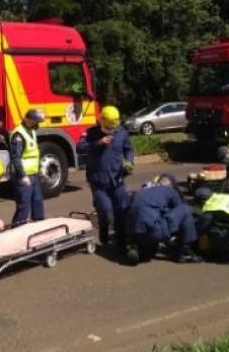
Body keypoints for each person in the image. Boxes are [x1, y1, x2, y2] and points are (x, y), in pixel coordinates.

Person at [76, 105, 134, 251]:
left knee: (121, 211)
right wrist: (98, 143)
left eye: (113, 128)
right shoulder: (91, 132)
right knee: (105, 209)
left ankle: (122, 245)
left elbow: (128, 149)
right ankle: (104, 225)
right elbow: (79, 148)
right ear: (101, 121)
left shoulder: (122, 133)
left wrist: (129, 161)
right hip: (98, 180)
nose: (111, 131)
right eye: (109, 128)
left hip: (117, 179)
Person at [124, 173, 201, 265]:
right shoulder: (169, 190)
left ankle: (137, 246)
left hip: (133, 231)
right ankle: (185, 251)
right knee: (185, 210)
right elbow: (178, 210)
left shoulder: (141, 190)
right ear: (171, 184)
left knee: (148, 219)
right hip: (152, 230)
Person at [10, 109, 46, 225]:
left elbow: (33, 154)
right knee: (24, 207)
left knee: (37, 203)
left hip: (33, 175)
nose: (38, 123)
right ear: (29, 120)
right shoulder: (19, 135)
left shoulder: (31, 131)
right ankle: (17, 230)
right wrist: (23, 175)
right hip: (24, 176)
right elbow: (16, 158)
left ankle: (38, 227)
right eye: (36, 121)